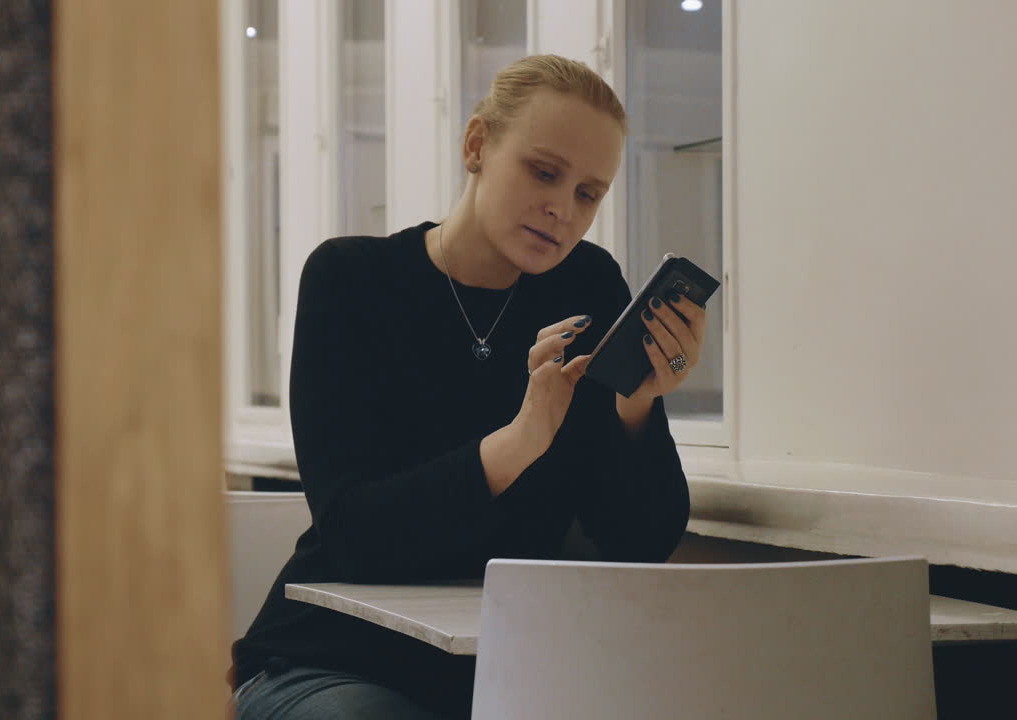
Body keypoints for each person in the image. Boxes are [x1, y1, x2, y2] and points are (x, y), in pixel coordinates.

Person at [229, 54, 703, 720]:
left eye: (587, 193)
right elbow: (356, 533)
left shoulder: (589, 288)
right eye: (544, 172)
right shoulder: (351, 280)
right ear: (477, 145)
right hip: (329, 661)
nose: (561, 209)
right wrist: (519, 441)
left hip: (507, 668)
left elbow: (639, 541)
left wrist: (638, 402)